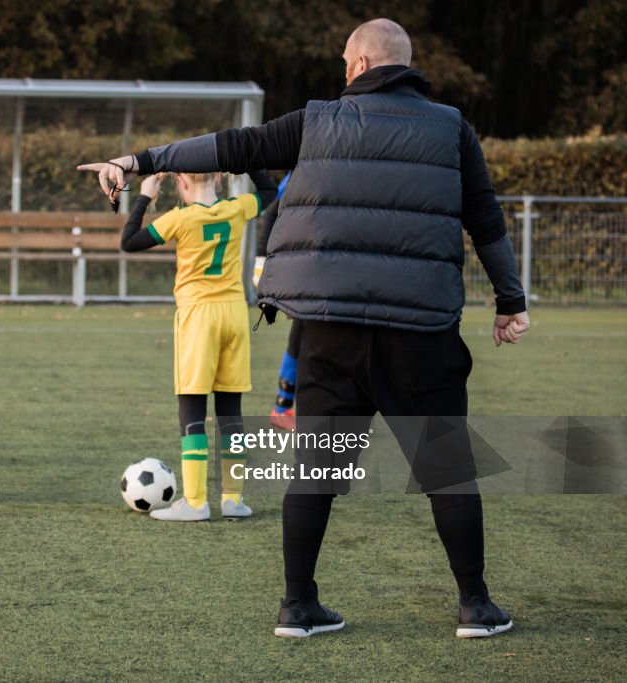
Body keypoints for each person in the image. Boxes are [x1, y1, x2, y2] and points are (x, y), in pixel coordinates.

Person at [81, 18, 530, 638]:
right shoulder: (452, 126)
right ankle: (476, 607)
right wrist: (511, 299)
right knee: (447, 470)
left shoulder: (318, 120)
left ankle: (298, 606)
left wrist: (141, 161)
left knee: (315, 472)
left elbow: (232, 147)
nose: (343, 71)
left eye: (347, 62)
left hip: (330, 332)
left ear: (364, 64)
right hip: (420, 333)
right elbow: (485, 216)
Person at [120, 169, 277, 521]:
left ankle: (195, 502)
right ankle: (233, 500)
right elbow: (269, 190)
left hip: (199, 318)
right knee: (230, 411)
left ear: (181, 183)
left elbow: (129, 241)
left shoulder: (180, 217)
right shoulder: (238, 208)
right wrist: (246, 159)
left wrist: (145, 195)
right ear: (220, 179)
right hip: (235, 315)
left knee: (192, 411)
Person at [253, 173, 301, 431]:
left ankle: (283, 407)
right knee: (306, 330)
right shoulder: (302, 169)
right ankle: (282, 408)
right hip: (306, 265)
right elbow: (272, 210)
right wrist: (261, 259)